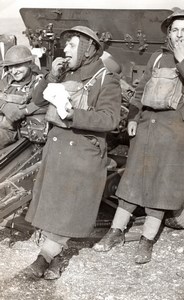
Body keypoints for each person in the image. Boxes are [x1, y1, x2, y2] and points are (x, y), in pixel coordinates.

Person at [93, 9, 184, 264]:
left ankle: (147, 240)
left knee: (162, 185)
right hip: (148, 126)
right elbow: (140, 92)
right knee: (132, 181)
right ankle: (115, 231)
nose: (179, 35)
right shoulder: (157, 58)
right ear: (168, 34)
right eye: (174, 30)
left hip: (177, 132)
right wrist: (133, 119)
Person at [25, 25, 121, 279]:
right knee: (55, 208)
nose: (65, 49)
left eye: (71, 45)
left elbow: (110, 120)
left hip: (83, 152)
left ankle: (45, 256)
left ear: (88, 48)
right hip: (58, 149)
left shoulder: (105, 78)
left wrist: (72, 115)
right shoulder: (65, 72)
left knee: (66, 209)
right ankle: (55, 258)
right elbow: (37, 101)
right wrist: (51, 76)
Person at [0, 45, 43, 149]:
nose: (13, 71)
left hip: (12, 131)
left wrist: (23, 111)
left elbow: (41, 104)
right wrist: (3, 106)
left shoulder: (38, 83)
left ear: (29, 63)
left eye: (18, 66)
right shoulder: (7, 80)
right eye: (10, 67)